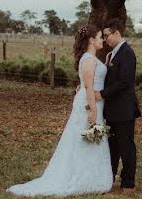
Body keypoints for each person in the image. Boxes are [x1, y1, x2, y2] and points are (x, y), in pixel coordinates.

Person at [7, 24, 113, 196]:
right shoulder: (88, 60)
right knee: (84, 139)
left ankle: (93, 176)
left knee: (92, 140)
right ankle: (82, 177)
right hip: (89, 104)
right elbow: (88, 86)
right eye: (100, 37)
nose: (103, 40)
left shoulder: (93, 59)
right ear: (92, 40)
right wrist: (92, 110)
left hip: (96, 104)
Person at [95, 18, 141, 195]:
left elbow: (124, 82)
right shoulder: (113, 53)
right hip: (112, 110)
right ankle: (110, 177)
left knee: (126, 147)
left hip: (124, 110)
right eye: (103, 36)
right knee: (112, 146)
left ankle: (128, 183)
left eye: (107, 35)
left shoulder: (127, 53)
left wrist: (102, 94)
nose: (105, 39)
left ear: (117, 33)